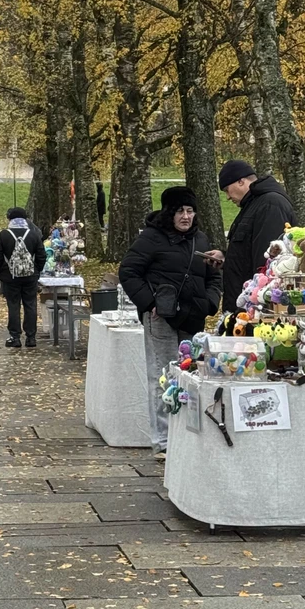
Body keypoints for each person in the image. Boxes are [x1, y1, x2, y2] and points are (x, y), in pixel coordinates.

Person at [118, 186, 222, 456]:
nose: (185, 216)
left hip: (193, 317)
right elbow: (128, 271)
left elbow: (213, 278)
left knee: (191, 377)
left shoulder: (201, 240)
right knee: (163, 377)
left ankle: (186, 436)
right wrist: (149, 302)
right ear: (169, 213)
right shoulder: (151, 238)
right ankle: (163, 441)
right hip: (161, 319)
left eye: (190, 211)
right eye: (180, 211)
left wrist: (209, 302)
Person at [206, 160, 295, 312]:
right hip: (245, 305)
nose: (227, 197)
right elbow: (249, 252)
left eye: (227, 190)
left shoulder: (270, 205)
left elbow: (268, 263)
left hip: (255, 309)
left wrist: (256, 310)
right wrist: (226, 258)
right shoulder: (255, 205)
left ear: (241, 181)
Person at [0, 207, 45, 348]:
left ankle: (15, 337)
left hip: (10, 277)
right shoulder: (33, 234)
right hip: (30, 276)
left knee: (13, 305)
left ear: (10, 219)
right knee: (30, 305)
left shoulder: (4, 235)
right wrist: (36, 271)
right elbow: (41, 255)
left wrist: (3, 272)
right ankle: (31, 337)